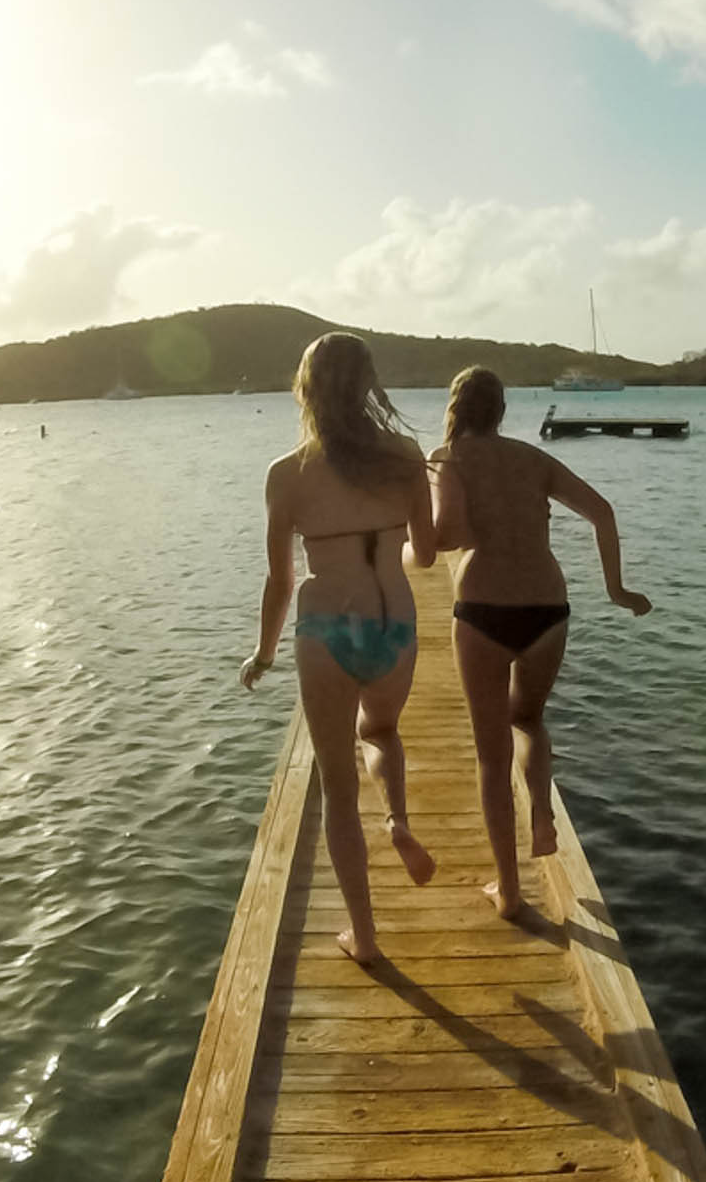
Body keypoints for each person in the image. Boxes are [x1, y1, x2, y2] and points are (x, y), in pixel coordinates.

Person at [241, 333, 439, 964]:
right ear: (368, 384)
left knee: (337, 789)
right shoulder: (406, 455)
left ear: (306, 390)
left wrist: (264, 654)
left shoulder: (286, 473)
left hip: (327, 630)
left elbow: (281, 580)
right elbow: (428, 553)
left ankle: (365, 936)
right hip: (396, 624)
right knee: (380, 732)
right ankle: (401, 821)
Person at [430, 366, 651, 920]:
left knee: (489, 755)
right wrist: (617, 590)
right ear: (501, 410)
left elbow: (448, 534)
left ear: (456, 407)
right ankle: (543, 813)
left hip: (482, 610)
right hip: (547, 609)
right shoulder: (534, 459)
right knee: (527, 720)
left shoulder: (447, 458)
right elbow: (602, 512)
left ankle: (508, 889)